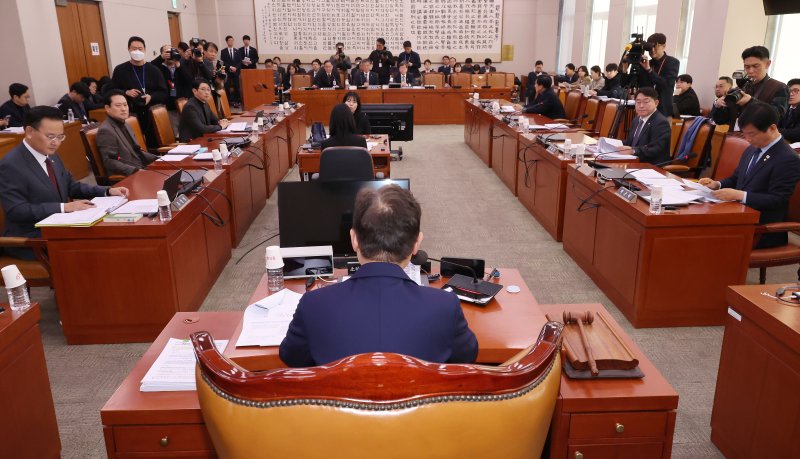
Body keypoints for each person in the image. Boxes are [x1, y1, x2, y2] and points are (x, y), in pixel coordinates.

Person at [279, 184, 479, 367]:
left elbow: (292, 358)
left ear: (354, 239)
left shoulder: (313, 304)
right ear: (416, 243)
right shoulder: (445, 306)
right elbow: (467, 356)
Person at [0, 106, 129, 260]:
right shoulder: (11, 164)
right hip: (32, 239)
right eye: (50, 136)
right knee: (95, 248)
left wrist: (106, 191)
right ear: (29, 132)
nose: (56, 142)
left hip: (58, 227)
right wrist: (64, 207)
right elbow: (16, 210)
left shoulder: (50, 155)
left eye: (60, 137)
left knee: (108, 234)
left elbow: (71, 186)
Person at [699, 103, 800, 249]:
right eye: (744, 134)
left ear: (772, 128)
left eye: (751, 134)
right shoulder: (752, 149)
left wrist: (741, 195)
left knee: (704, 238)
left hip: (762, 229)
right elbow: (736, 178)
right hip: (738, 216)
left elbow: (778, 200)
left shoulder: (788, 158)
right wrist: (717, 184)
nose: (747, 139)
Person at [111, 36, 168, 149]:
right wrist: (125, 92)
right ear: (128, 49)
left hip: (151, 115)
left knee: (154, 145)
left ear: (145, 49)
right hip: (130, 114)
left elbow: (163, 92)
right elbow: (111, 90)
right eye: (134, 49)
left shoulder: (154, 70)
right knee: (134, 146)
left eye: (140, 49)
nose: (137, 51)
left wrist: (151, 97)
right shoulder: (120, 69)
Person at [711, 46, 788, 128]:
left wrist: (751, 102)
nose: (750, 71)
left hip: (758, 135)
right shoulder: (740, 88)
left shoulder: (779, 87)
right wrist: (718, 105)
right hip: (733, 134)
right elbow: (720, 120)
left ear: (767, 64)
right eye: (747, 67)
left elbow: (777, 116)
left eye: (755, 66)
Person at [96, 90, 158, 176]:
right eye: (118, 106)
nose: (123, 109)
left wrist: (158, 159)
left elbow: (138, 152)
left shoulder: (126, 124)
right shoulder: (106, 131)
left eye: (125, 105)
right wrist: (136, 171)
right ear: (107, 108)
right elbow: (109, 161)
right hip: (128, 176)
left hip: (143, 168)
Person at [621, 33, 680, 117]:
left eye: (655, 46)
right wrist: (624, 69)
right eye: (649, 48)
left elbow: (666, 84)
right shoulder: (645, 63)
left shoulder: (672, 62)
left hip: (663, 112)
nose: (652, 50)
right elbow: (624, 84)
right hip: (645, 111)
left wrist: (649, 70)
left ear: (664, 46)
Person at [618, 87, 671, 165]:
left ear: (656, 103)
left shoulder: (661, 122)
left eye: (646, 102)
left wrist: (633, 151)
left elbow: (655, 148)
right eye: (638, 102)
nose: (641, 105)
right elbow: (630, 142)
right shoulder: (636, 120)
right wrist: (613, 144)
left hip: (651, 166)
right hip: (634, 162)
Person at [153, 44, 189, 112]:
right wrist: (160, 58)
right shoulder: (158, 68)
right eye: (167, 52)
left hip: (181, 104)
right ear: (162, 54)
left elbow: (188, 81)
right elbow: (150, 67)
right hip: (166, 106)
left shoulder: (180, 66)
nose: (170, 54)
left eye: (171, 51)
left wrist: (179, 67)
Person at [220, 36, 241, 105]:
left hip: (235, 72)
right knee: (227, 87)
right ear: (227, 42)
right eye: (229, 40)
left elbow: (239, 61)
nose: (231, 42)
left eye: (232, 40)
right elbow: (223, 62)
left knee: (237, 86)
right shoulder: (223, 51)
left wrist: (236, 68)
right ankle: (228, 101)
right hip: (227, 72)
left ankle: (237, 101)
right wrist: (230, 67)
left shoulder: (237, 51)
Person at [778, 79, 800, 143]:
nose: (790, 94)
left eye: (796, 91)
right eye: (788, 91)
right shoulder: (784, 107)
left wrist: (773, 130)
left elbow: (797, 134)